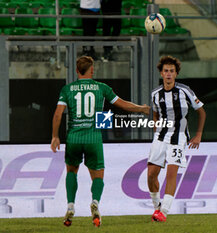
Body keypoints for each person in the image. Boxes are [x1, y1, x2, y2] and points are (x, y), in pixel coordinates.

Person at [50, 56, 150, 227]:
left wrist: (55, 136)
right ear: (92, 70)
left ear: (76, 71)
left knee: (71, 171)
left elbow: (58, 114)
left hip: (73, 137)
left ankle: (70, 205)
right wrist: (141, 108)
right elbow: (123, 105)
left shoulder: (67, 89)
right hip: (93, 138)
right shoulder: (101, 88)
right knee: (98, 174)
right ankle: (95, 202)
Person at [147, 55, 206, 222]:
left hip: (179, 137)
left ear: (176, 74)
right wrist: (155, 128)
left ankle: (163, 212)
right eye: (166, 71)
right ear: (161, 73)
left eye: (172, 71)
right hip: (160, 136)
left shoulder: (185, 90)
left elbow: (201, 111)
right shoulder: (155, 94)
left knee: (171, 174)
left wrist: (198, 135)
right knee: (151, 175)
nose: (168, 74)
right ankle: (157, 206)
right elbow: (156, 113)